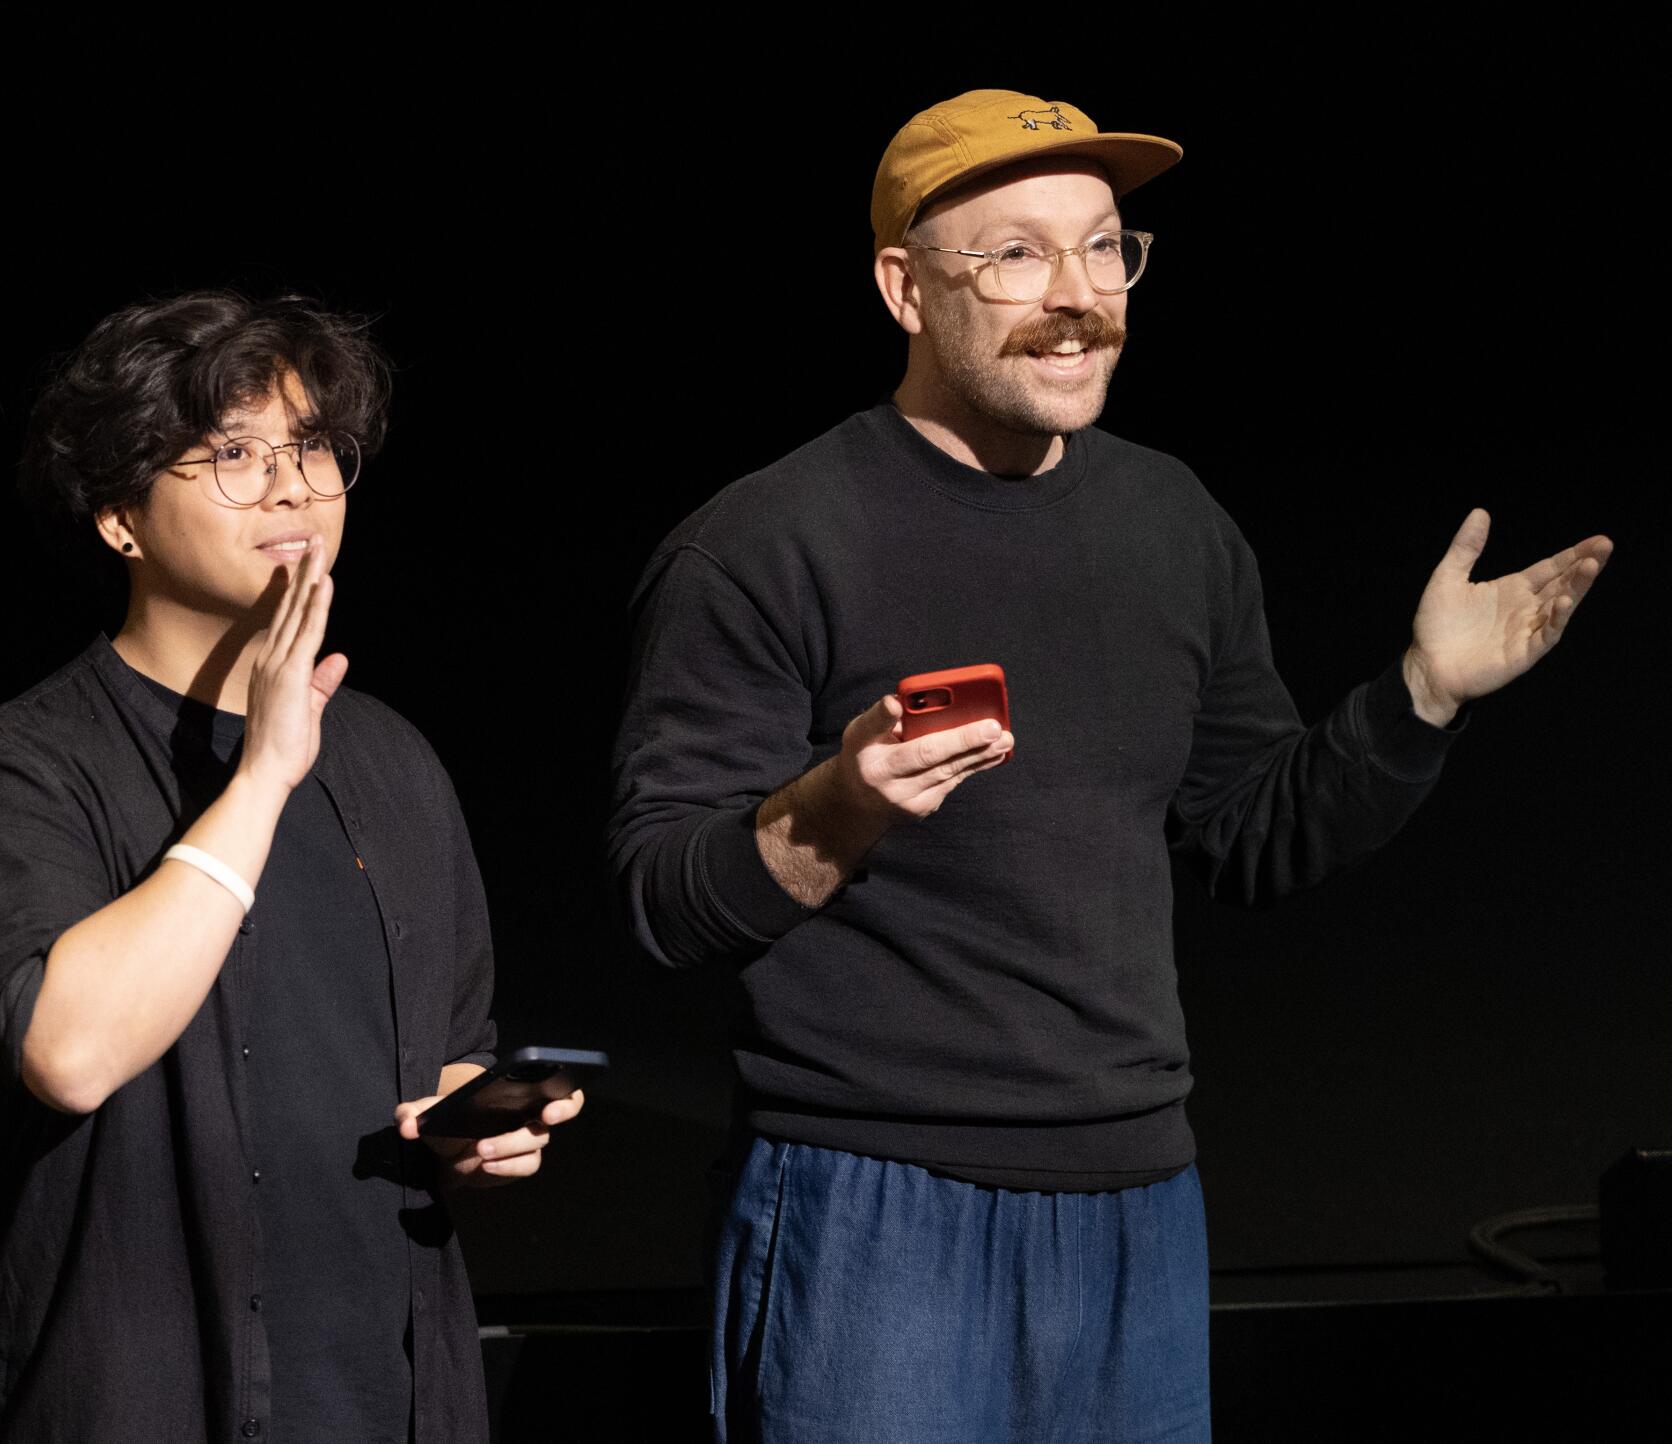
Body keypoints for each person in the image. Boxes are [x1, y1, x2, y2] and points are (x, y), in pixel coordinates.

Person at [606, 90, 1611, 1441]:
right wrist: (838, 802)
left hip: (1137, 1192)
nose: (1079, 297)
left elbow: (1249, 836)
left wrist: (1421, 697)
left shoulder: (1170, 520)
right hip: (878, 1200)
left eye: (1105, 249)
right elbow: (665, 899)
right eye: (1018, 254)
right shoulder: (764, 545)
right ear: (906, 289)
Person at [0, 291, 579, 1443]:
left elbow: (447, 1051)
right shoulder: (24, 763)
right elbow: (69, 1054)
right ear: (120, 514)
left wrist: (473, 1130)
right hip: (141, 1391)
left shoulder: (390, 755)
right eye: (232, 454)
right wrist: (263, 773)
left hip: (387, 1389)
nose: (292, 487)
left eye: (315, 449)